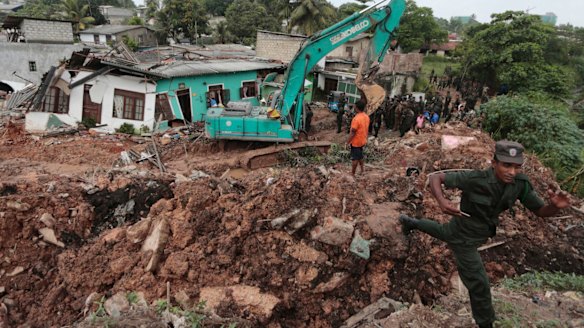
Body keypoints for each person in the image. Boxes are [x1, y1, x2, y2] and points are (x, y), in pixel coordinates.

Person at [398, 140, 571, 328]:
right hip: (464, 236)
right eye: (506, 165)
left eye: (516, 167)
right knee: (479, 283)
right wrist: (442, 202)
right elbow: (435, 178)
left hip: (479, 232)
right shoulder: (475, 178)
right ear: (494, 162)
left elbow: (540, 211)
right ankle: (485, 324)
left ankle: (411, 222)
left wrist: (554, 207)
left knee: (444, 232)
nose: (512, 172)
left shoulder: (520, 184)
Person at [347, 100, 370, 176]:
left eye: (354, 106)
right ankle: (362, 170)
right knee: (360, 156)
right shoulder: (366, 116)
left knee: (355, 158)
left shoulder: (356, 119)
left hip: (356, 142)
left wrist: (348, 142)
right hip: (363, 140)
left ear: (356, 108)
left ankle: (352, 173)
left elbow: (353, 132)